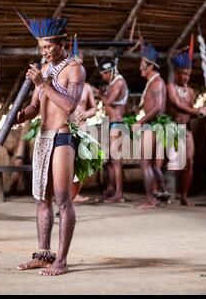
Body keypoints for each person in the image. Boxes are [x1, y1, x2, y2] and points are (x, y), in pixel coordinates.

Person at [15, 14, 86, 276]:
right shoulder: (44, 70)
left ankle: (62, 260)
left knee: (62, 200)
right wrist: (22, 114)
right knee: (41, 200)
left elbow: (69, 106)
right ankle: (44, 255)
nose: (44, 52)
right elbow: (35, 106)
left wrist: (43, 83)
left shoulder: (74, 68)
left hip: (62, 137)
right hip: (43, 138)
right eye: (41, 47)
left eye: (49, 47)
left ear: (62, 43)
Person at [167, 48, 206, 206]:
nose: (186, 77)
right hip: (171, 128)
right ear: (177, 73)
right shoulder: (170, 87)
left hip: (186, 129)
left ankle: (184, 195)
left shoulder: (191, 92)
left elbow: (190, 112)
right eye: (183, 74)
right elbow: (177, 105)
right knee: (173, 162)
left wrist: (203, 113)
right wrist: (198, 111)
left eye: (188, 74)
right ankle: (169, 195)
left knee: (189, 162)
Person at [133, 42, 169, 209]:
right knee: (153, 165)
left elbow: (158, 107)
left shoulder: (157, 82)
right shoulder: (153, 82)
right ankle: (163, 194)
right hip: (152, 125)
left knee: (145, 163)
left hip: (153, 126)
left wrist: (141, 121)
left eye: (142, 65)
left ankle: (150, 199)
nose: (140, 69)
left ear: (150, 66)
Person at [94, 58, 129, 203]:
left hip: (117, 124)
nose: (103, 77)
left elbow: (108, 101)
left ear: (109, 72)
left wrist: (99, 94)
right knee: (109, 160)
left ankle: (119, 194)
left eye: (104, 74)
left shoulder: (119, 82)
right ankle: (111, 189)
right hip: (111, 124)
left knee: (116, 161)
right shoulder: (113, 83)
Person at [69, 42, 98, 204]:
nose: (78, 64)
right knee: (64, 164)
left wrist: (86, 113)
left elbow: (94, 109)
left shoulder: (87, 87)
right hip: (66, 129)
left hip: (82, 129)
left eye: (80, 61)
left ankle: (74, 194)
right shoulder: (64, 83)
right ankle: (64, 196)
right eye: (75, 60)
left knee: (80, 165)